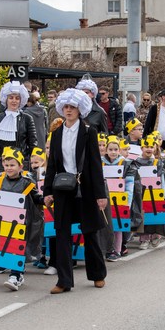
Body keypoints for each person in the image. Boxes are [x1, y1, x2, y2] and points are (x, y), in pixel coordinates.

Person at [43, 88, 108, 294]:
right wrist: (47, 191)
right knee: (62, 233)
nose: (69, 110)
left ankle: (97, 274)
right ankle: (64, 280)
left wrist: (100, 195)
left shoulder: (89, 132)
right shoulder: (56, 134)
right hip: (63, 187)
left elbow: (95, 164)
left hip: (86, 187)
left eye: (72, 107)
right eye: (66, 107)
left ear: (80, 109)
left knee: (90, 231)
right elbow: (51, 165)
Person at [0, 147, 44, 291]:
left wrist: (46, 199)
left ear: (20, 166)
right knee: (7, 247)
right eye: (6, 165)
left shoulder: (27, 182)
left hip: (21, 223)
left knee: (17, 247)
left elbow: (36, 198)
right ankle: (16, 272)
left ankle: (16, 275)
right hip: (2, 222)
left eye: (12, 165)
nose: (9, 168)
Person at [0, 81, 37, 174]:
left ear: (20, 100)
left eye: (17, 98)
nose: (14, 101)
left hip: (21, 163)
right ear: (6, 100)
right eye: (11, 98)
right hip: (2, 164)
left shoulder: (27, 118)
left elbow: (33, 144)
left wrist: (35, 167)